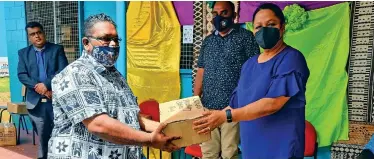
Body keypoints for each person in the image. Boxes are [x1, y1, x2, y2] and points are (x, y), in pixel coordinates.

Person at [48, 13, 180, 159]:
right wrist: (149, 140)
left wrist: (167, 130)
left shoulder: (115, 75)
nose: (113, 44)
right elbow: (98, 124)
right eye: (105, 39)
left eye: (116, 39)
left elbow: (132, 118)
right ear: (86, 43)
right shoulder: (76, 74)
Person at [194, 3, 310, 159]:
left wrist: (226, 116)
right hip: (252, 146)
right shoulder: (249, 65)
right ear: (254, 30)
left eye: (271, 24)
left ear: (282, 27)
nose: (264, 31)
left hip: (280, 147)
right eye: (258, 27)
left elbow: (272, 104)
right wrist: (214, 115)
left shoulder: (291, 58)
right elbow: (236, 102)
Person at [193, 1, 260, 158]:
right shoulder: (208, 41)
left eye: (224, 13)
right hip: (207, 108)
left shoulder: (246, 38)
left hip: (232, 108)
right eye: (216, 14)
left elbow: (255, 71)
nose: (219, 17)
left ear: (234, 16)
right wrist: (195, 101)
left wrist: (246, 101)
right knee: (209, 154)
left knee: (229, 153)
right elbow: (201, 72)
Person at [17, 21, 68, 159]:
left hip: (56, 100)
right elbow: (22, 75)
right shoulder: (23, 54)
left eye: (39, 32)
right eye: (33, 34)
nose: (37, 36)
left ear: (44, 33)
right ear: (29, 37)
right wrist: (40, 88)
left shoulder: (56, 49)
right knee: (43, 137)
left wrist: (46, 84)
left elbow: (63, 70)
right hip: (36, 103)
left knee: (60, 135)